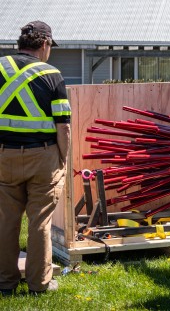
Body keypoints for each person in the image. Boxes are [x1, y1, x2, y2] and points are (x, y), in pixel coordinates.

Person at [0, 21, 71, 296]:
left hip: (4, 156)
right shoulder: (52, 74)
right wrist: (63, 158)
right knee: (39, 222)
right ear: (44, 44)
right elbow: (63, 125)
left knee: (6, 221)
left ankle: (5, 283)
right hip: (42, 157)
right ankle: (39, 284)